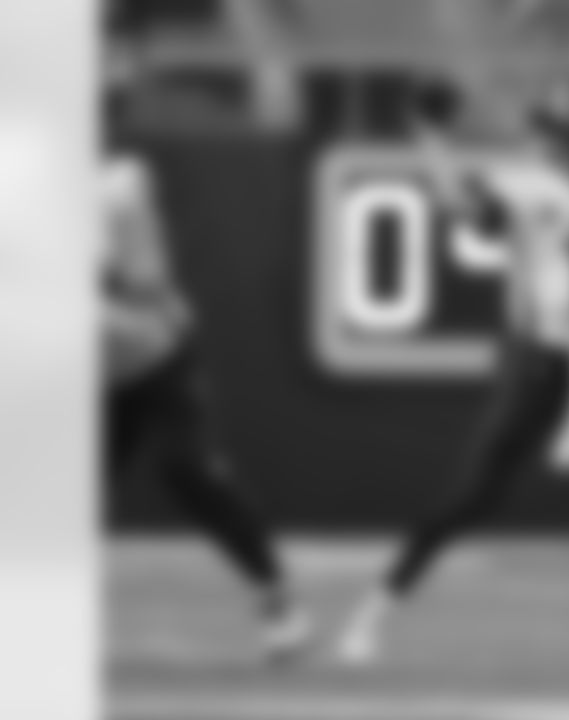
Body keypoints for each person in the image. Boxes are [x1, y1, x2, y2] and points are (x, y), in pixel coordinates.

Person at [334, 82, 569, 664]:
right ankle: (372, 614)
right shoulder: (525, 184)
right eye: (551, 132)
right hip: (537, 362)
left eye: (554, 132)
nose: (544, 141)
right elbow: (465, 210)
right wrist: (431, 143)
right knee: (472, 497)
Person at [103, 44, 306, 661]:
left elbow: (140, 279)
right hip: (91, 374)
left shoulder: (123, 181)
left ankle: (278, 602)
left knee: (186, 470)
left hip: (156, 354)